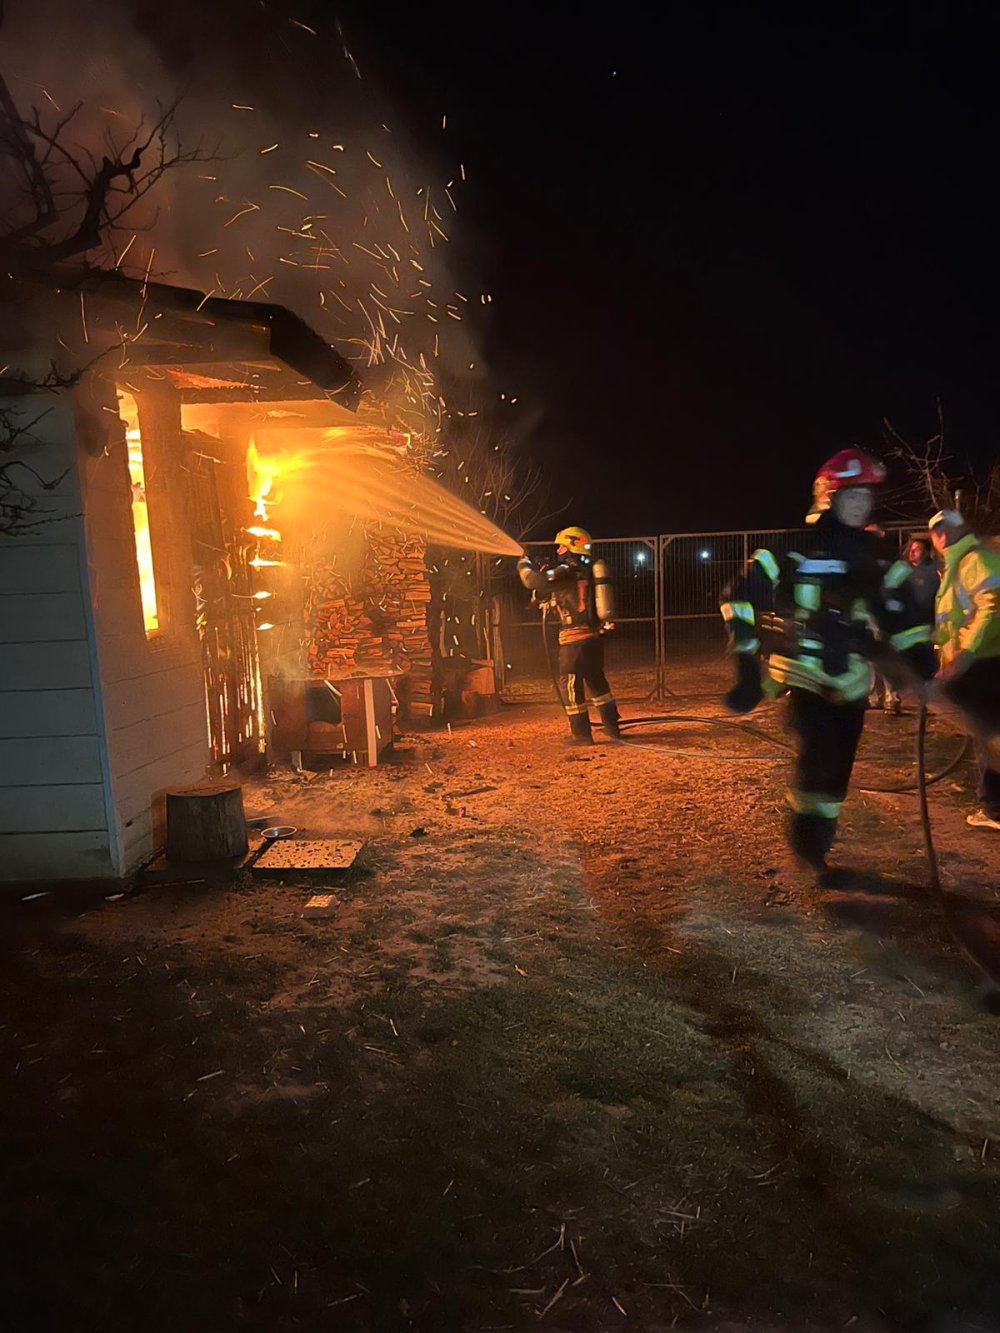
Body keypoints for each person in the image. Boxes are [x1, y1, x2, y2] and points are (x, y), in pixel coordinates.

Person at [720, 449, 935, 872]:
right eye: (851, 497)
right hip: (804, 675)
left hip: (854, 680)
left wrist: (919, 659)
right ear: (828, 499)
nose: (860, 506)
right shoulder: (795, 547)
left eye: (866, 499)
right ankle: (807, 845)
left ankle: (820, 841)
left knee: (838, 772)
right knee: (816, 763)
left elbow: (902, 613)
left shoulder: (875, 556)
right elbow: (740, 596)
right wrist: (746, 669)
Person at [928, 509, 1000, 831]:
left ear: (941, 535)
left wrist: (965, 653)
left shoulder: (972, 561)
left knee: (989, 734)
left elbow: (993, 604)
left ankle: (994, 808)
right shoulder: (962, 563)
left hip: (983, 664)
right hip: (979, 662)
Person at [517, 526, 621, 744]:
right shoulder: (586, 569)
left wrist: (523, 563)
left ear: (572, 546)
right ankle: (612, 727)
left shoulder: (567, 570)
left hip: (575, 640)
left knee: (570, 685)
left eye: (562, 545)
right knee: (596, 682)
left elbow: (533, 582)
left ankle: (581, 734)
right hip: (592, 637)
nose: (559, 550)